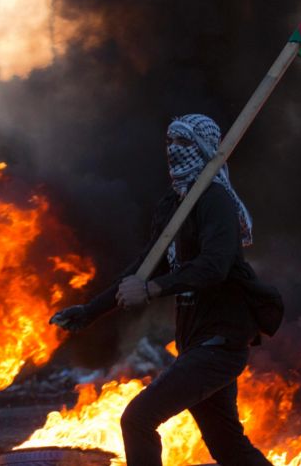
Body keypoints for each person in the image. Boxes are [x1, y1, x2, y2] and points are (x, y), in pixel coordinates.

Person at [50, 114, 282, 466]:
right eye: (170, 143)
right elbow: (144, 268)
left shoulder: (215, 201)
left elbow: (214, 266)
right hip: (195, 345)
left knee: (138, 420)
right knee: (229, 449)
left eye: (185, 144)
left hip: (219, 343)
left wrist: (153, 288)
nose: (174, 151)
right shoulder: (173, 206)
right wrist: (90, 311)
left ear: (205, 149)